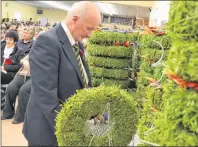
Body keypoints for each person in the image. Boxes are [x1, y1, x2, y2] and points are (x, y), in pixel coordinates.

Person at [23, 1, 101, 146]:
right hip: (48, 132)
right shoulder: (48, 42)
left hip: (67, 124)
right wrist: (70, 131)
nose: (90, 34)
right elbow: (47, 97)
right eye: (89, 28)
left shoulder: (75, 43)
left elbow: (82, 81)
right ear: (75, 19)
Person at [1, 55, 31, 121]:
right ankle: (8, 113)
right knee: (10, 88)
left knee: (23, 90)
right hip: (23, 74)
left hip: (35, 76)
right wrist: (25, 61)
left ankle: (20, 116)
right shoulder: (34, 49)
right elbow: (22, 60)